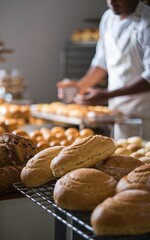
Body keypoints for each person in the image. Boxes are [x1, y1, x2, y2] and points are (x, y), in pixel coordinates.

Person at [57, 0, 150, 140]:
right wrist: (80, 86)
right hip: (119, 115)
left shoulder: (147, 22)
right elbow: (101, 63)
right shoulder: (108, 18)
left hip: (145, 116)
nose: (111, 1)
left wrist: (106, 95)